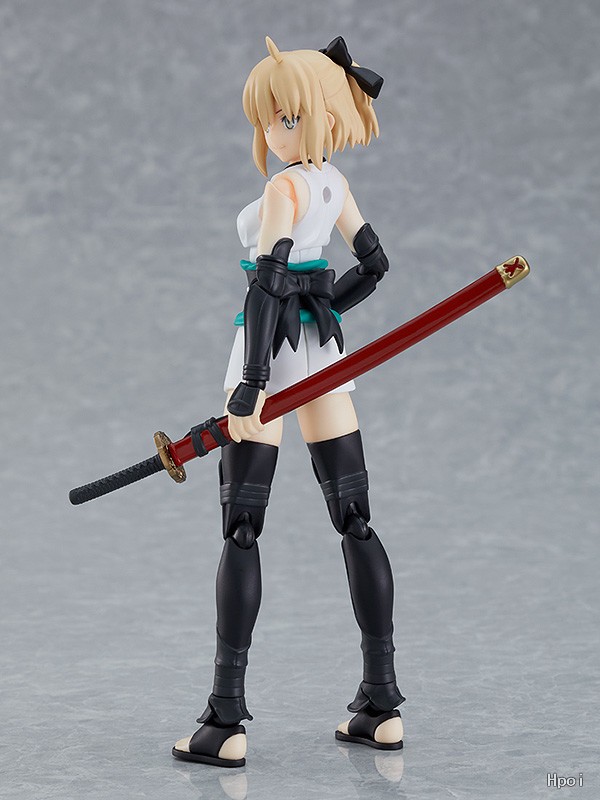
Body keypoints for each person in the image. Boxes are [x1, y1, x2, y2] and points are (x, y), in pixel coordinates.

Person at [172, 35, 404, 768]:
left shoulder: (284, 190)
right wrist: (324, 310)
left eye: (287, 117)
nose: (274, 131)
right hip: (321, 354)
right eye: (270, 118)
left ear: (321, 115)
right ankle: (381, 705)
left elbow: (268, 282)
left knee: (243, 528)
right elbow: (374, 264)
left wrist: (251, 383)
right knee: (355, 519)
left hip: (268, 354)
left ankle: (225, 720)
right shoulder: (334, 184)